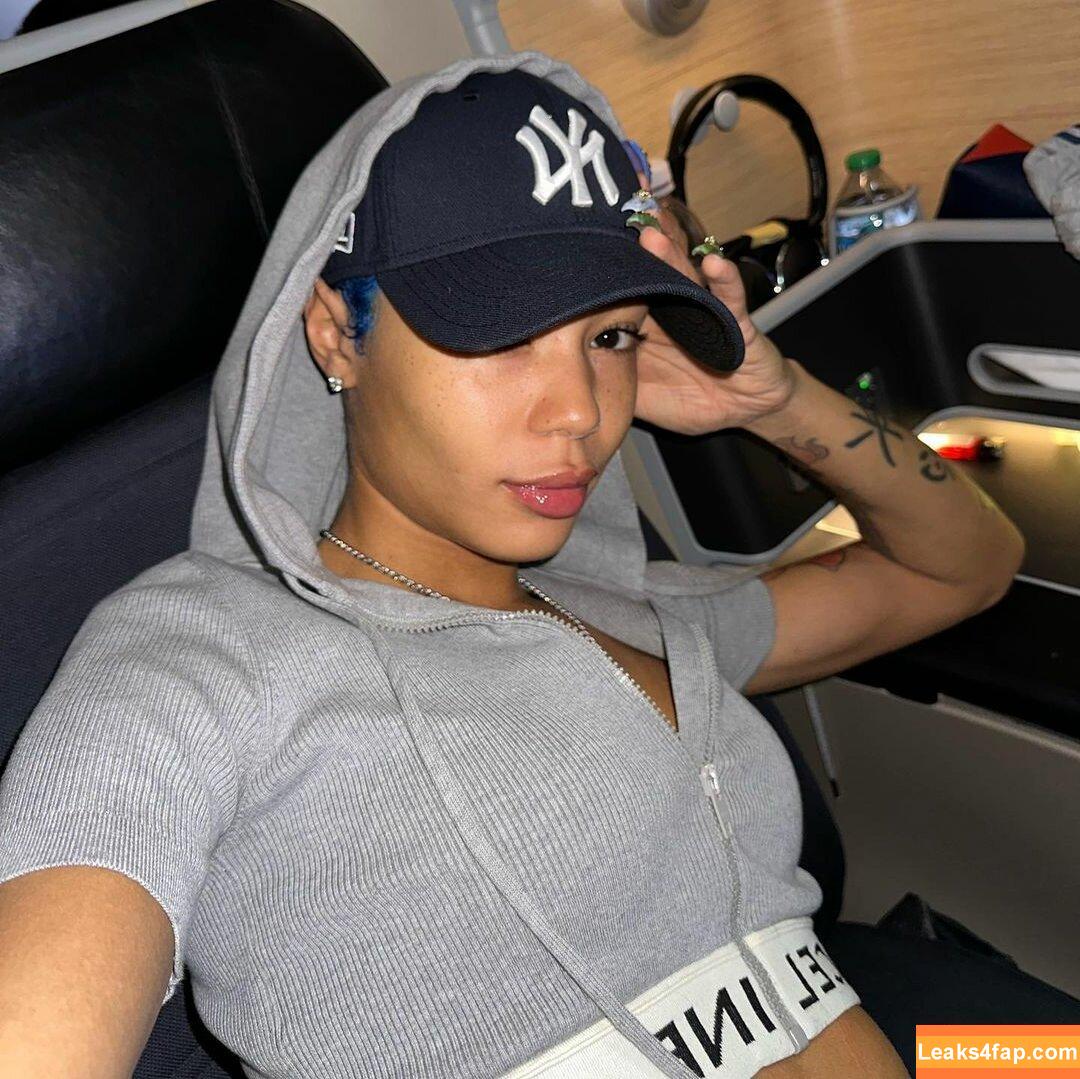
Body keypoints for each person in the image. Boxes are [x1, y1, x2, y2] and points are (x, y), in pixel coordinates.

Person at [0, 52, 1030, 1078]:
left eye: (609, 337)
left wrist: (774, 398)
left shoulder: (630, 612)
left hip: (940, 1047)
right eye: (504, 337)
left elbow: (971, 564)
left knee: (1055, 1052)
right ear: (335, 332)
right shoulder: (202, 658)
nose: (579, 410)